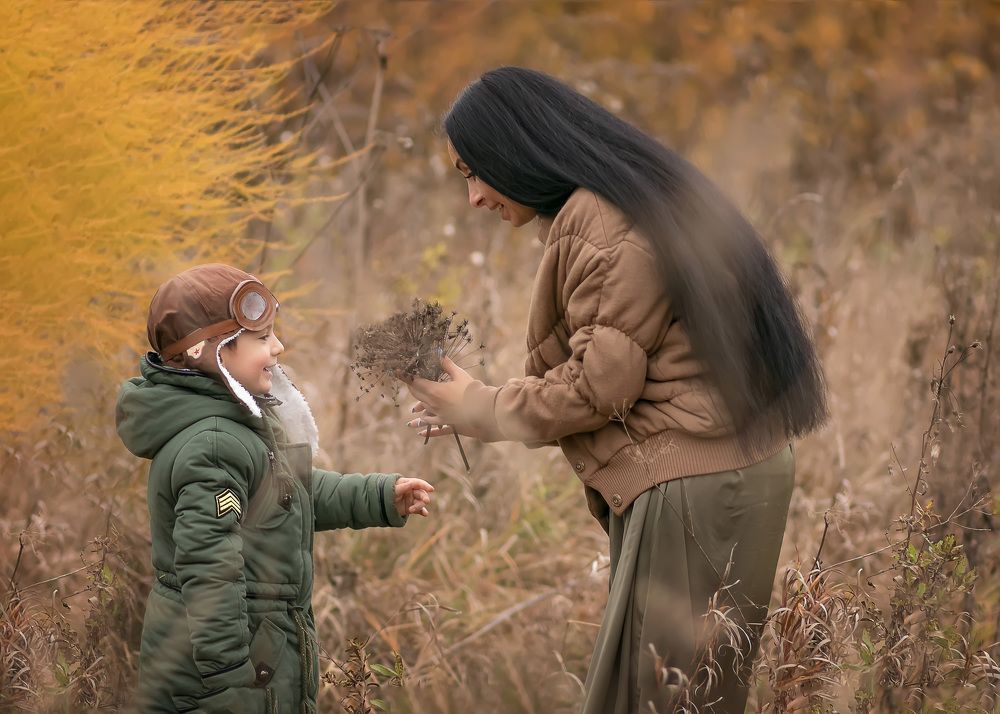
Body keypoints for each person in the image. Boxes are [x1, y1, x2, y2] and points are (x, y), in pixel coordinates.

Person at [406, 67, 827, 713]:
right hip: (723, 473)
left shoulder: (601, 221)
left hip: (694, 483)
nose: (474, 198)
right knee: (690, 698)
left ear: (513, 149)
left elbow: (600, 387)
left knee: (653, 700)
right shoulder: (632, 198)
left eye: (472, 170)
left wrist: (484, 407)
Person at [116, 263, 434, 714]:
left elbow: (287, 495)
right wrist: (232, 677)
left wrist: (380, 496)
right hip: (225, 678)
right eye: (262, 339)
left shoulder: (237, 427)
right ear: (210, 353)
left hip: (260, 653)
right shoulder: (213, 444)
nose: (279, 347)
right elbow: (209, 568)